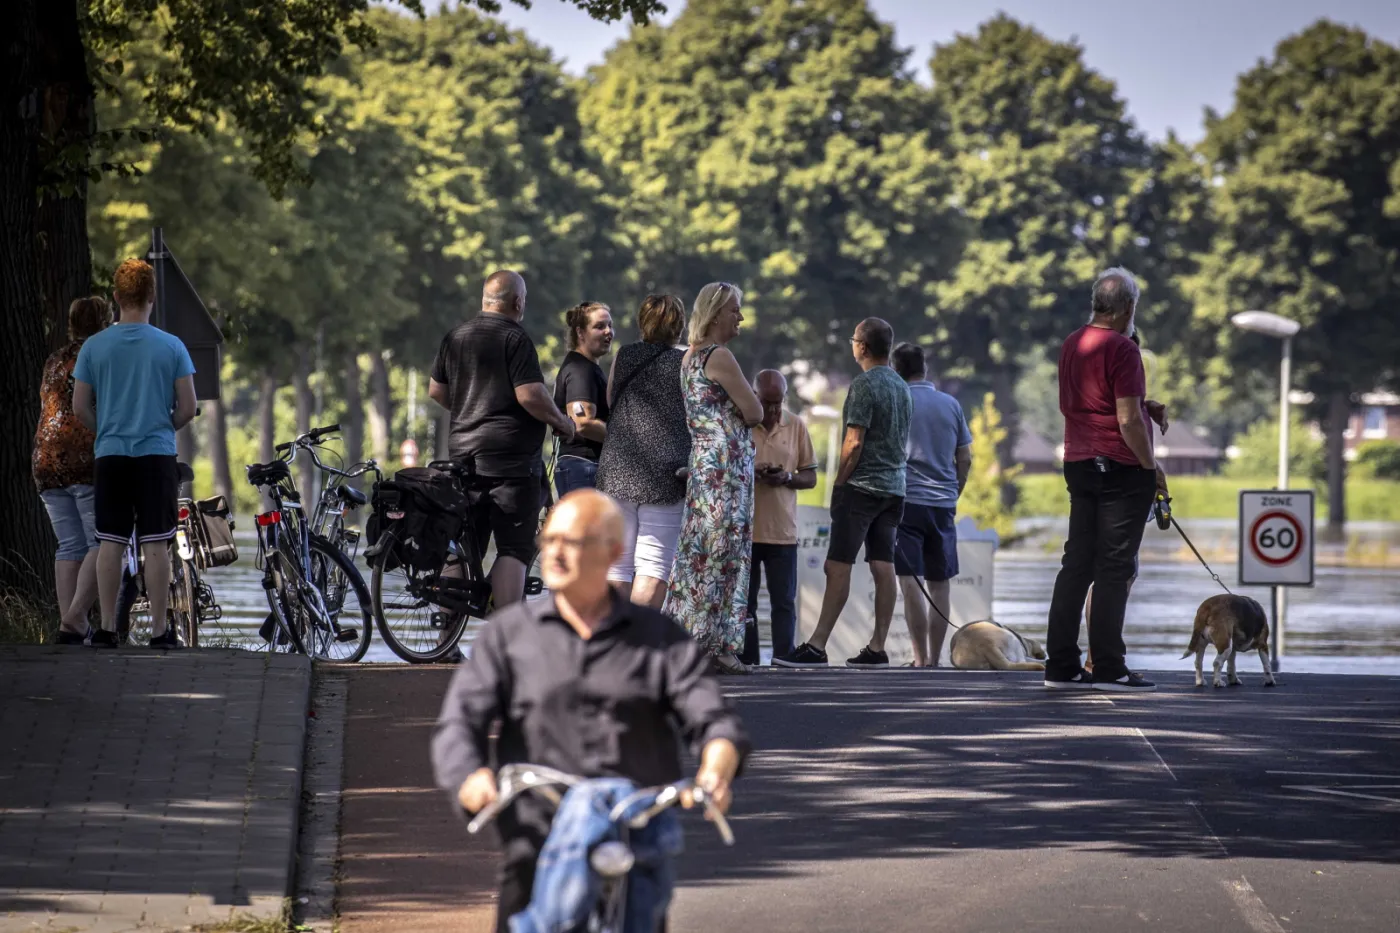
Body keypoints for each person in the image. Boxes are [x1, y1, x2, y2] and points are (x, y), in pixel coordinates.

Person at [431, 489, 749, 933]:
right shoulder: (509, 636)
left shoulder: (659, 637)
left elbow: (713, 717)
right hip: (537, 833)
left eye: (573, 541)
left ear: (613, 553)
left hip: (635, 834)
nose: (556, 552)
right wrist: (470, 776)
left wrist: (717, 767)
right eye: (549, 540)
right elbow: (460, 722)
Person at [1043, 267, 1166, 692]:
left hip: (1079, 462)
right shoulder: (1123, 349)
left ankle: (1061, 666)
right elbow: (1126, 420)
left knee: (1076, 564)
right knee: (1115, 567)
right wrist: (1149, 467)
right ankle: (1110, 667)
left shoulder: (1072, 343)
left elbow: (1093, 402)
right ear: (1128, 308)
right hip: (1120, 468)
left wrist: (1146, 405)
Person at [428, 270, 576, 609]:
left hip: (463, 458)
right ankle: (508, 632)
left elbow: (436, 390)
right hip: (511, 464)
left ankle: (445, 631)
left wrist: (468, 407)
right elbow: (530, 395)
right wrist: (562, 423)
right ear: (518, 302)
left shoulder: (455, 336)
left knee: (465, 546)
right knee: (515, 547)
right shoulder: (515, 338)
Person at [72, 259, 197, 649]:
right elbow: (188, 407)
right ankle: (159, 632)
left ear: (116, 296)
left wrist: (107, 430)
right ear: (151, 297)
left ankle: (108, 628)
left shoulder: (94, 347)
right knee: (156, 543)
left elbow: (79, 407)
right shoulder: (172, 346)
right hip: (156, 455)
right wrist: (161, 427)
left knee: (110, 541)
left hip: (111, 456)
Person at [776, 318, 910, 669]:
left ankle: (817, 646)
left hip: (861, 488)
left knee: (837, 565)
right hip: (895, 490)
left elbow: (853, 442)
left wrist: (839, 483)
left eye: (853, 339)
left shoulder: (864, 385)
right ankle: (878, 648)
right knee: (883, 566)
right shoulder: (901, 385)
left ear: (862, 346)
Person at [662, 282, 763, 675]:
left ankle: (688, 640)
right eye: (735, 310)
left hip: (705, 463)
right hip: (726, 469)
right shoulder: (719, 356)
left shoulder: (689, 356)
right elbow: (754, 412)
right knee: (724, 553)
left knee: (699, 553)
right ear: (717, 313)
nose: (740, 317)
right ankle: (715, 644)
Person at [596, 294, 691, 609]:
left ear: (643, 322)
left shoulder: (624, 355)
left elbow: (611, 401)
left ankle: (614, 632)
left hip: (617, 469)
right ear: (679, 324)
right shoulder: (685, 361)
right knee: (655, 564)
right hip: (666, 474)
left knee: (617, 564)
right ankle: (637, 634)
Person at [889, 343, 972, 668]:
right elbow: (964, 457)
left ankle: (919, 658)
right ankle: (936, 660)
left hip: (907, 503)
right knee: (940, 584)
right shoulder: (951, 404)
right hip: (943, 505)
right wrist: (955, 490)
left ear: (896, 370)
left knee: (910, 581)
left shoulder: (898, 402)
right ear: (924, 368)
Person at [33, 297, 111, 644]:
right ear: (105, 322)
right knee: (102, 540)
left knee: (69, 546)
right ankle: (74, 617)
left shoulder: (54, 359)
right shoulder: (100, 355)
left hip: (46, 459)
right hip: (85, 458)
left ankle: (72, 631)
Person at [739, 370, 817, 666]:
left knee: (783, 602)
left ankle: (784, 659)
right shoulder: (741, 423)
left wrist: (787, 478)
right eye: (766, 402)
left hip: (783, 532)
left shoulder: (796, 425)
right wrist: (752, 472)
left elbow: (810, 477)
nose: (772, 410)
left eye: (777, 402)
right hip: (745, 530)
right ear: (754, 396)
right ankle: (747, 661)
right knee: (744, 604)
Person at [552, 301, 613, 497]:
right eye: (599, 326)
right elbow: (583, 423)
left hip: (583, 468)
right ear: (580, 332)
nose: (608, 331)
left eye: (610, 325)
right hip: (583, 468)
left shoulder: (587, 367)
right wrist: (623, 439)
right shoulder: (580, 370)